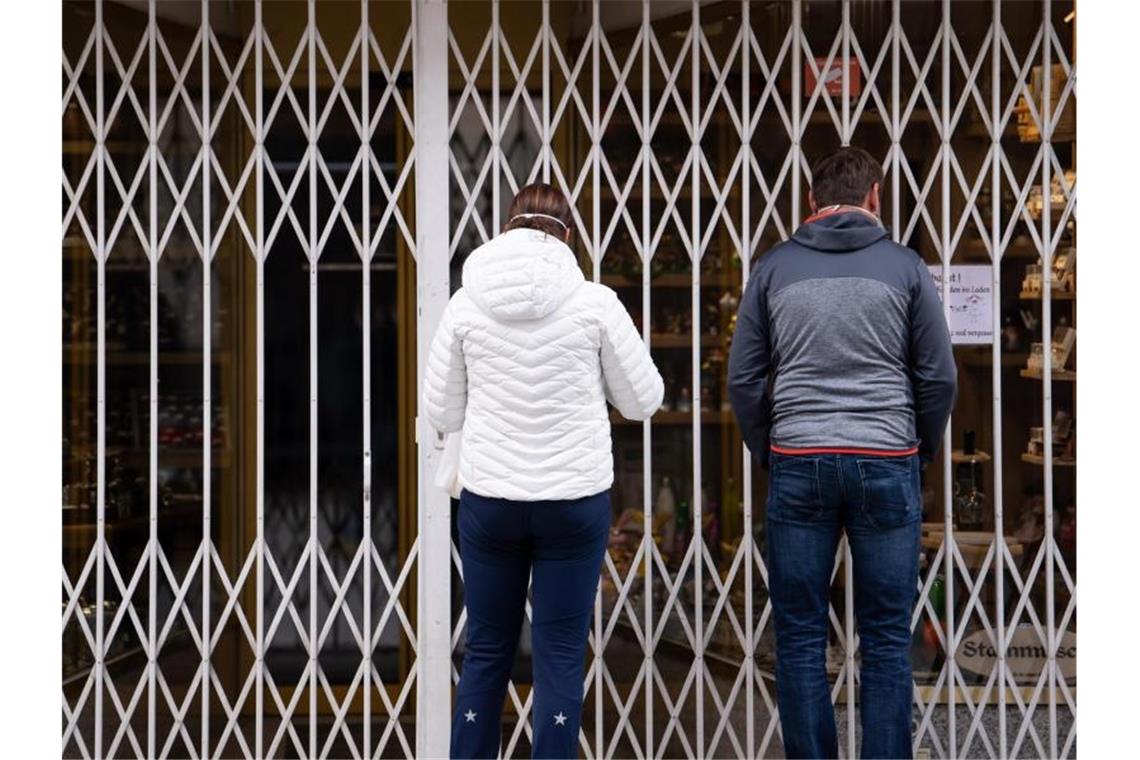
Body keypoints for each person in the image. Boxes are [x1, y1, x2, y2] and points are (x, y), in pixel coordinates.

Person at [727, 146, 957, 760]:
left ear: (810, 201)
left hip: (799, 458)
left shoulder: (774, 268)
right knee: (885, 635)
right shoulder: (906, 267)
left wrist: (769, 449)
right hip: (886, 457)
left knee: (800, 633)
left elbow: (744, 379)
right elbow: (939, 376)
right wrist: (919, 448)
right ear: (875, 196)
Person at [422, 183, 664, 759]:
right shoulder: (596, 304)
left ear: (506, 228)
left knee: (486, 649)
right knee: (558, 652)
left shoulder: (465, 303)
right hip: (572, 503)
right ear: (568, 236)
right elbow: (643, 400)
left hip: (491, 501)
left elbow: (440, 410)